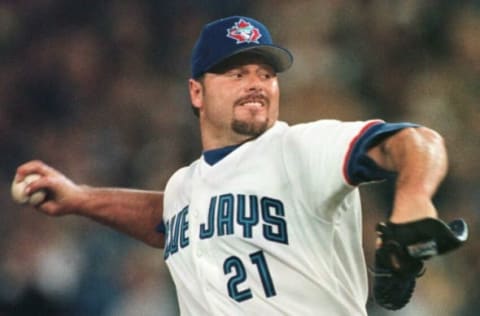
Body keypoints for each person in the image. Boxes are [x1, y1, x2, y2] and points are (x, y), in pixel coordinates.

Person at [14, 16, 463, 315]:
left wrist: (414, 196)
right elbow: (168, 219)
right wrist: (80, 199)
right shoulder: (184, 186)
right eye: (236, 72)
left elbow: (416, 141)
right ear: (196, 92)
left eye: (265, 74)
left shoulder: (300, 148)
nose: (256, 84)